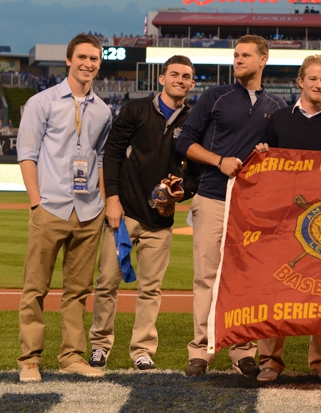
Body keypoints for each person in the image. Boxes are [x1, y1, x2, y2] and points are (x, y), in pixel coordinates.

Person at [176, 35, 287, 377]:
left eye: (245, 55)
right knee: (206, 276)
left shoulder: (277, 106)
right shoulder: (214, 96)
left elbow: (285, 157)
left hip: (252, 206)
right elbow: (184, 143)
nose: (238, 60)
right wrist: (219, 160)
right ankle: (201, 350)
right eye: (236, 55)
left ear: (263, 59)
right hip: (211, 196)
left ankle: (243, 351)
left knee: (247, 279)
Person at [88, 55, 197, 371]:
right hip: (125, 213)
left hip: (161, 220)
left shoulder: (193, 120)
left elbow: (196, 171)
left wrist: (182, 193)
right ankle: (100, 345)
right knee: (107, 280)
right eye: (174, 74)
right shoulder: (135, 109)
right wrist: (112, 200)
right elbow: (112, 157)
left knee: (151, 288)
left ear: (191, 83)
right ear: (161, 79)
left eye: (186, 76)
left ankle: (142, 350)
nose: (179, 79)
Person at [16, 34, 112, 382]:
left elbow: (100, 158)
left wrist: (101, 202)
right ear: (69, 60)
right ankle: (29, 360)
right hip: (50, 207)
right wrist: (35, 201)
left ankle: (71, 356)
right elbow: (26, 154)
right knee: (35, 288)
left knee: (78, 291)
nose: (89, 63)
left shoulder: (103, 110)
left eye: (95, 58)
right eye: (83, 57)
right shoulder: (41, 102)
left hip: (88, 211)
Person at [256, 54, 321, 383]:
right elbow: (262, 163)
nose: (319, 84)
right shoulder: (279, 119)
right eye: (313, 79)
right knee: (276, 287)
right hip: (283, 218)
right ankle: (269, 360)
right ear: (300, 82)